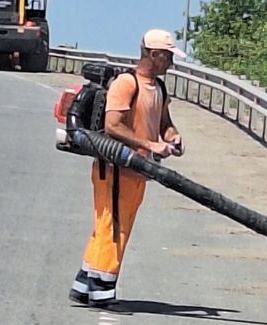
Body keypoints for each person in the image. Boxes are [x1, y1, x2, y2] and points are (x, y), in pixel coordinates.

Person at [69, 29, 187, 307]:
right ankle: (101, 289)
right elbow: (113, 125)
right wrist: (150, 144)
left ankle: (85, 283)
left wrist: (172, 138)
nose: (171, 63)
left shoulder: (158, 88)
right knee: (113, 227)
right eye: (168, 56)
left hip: (138, 170)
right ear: (153, 54)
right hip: (115, 167)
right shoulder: (126, 83)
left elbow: (164, 123)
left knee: (111, 225)